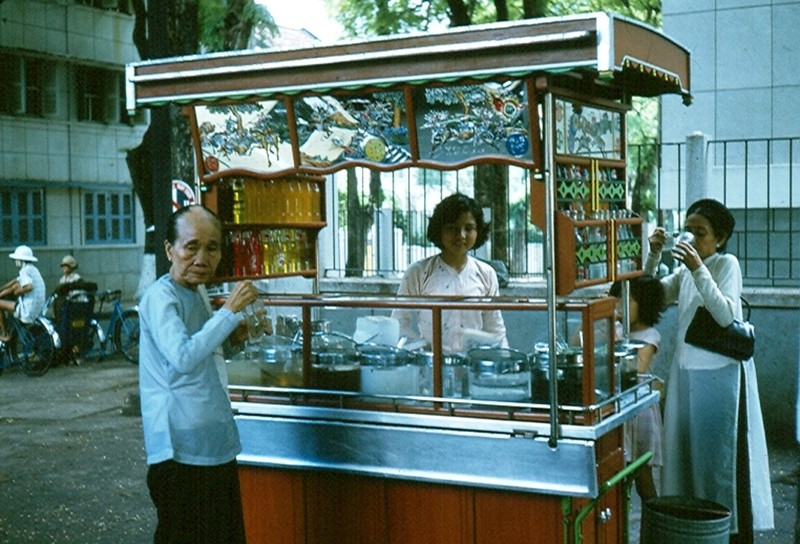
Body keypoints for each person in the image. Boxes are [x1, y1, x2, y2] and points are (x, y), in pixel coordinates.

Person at [645, 198, 773, 542]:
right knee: (684, 457)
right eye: (688, 230)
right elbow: (651, 294)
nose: (692, 238)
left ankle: (725, 530)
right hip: (686, 372)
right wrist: (655, 254)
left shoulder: (724, 264)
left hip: (719, 376)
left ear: (720, 237)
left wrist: (699, 268)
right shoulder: (687, 271)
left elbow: (725, 316)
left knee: (717, 461)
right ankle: (692, 527)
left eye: (700, 233)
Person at [138, 205, 258, 544]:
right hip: (179, 451)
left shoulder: (196, 291)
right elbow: (183, 357)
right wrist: (229, 313)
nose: (202, 257)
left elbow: (204, 354)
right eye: (191, 247)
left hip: (212, 442)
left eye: (212, 247)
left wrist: (232, 338)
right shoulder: (160, 297)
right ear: (169, 250)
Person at [393, 193, 507, 353]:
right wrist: (425, 347)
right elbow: (399, 324)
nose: (461, 235)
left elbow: (495, 329)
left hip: (473, 368)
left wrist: (503, 366)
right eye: (452, 228)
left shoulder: (486, 274)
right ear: (439, 230)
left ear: (478, 231)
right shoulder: (418, 272)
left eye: (468, 228)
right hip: (431, 367)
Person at [609, 276, 664, 504]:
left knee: (642, 476)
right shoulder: (618, 328)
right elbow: (576, 341)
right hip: (618, 410)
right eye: (617, 300)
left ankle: (654, 527)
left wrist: (612, 331)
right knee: (619, 475)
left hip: (640, 412)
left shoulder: (650, 336)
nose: (621, 306)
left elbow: (634, 369)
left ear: (645, 305)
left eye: (627, 301)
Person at [0, 245, 46, 341]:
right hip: (38, 307)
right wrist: (2, 289)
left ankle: (5, 334)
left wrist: (17, 292)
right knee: (16, 284)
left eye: (16, 259)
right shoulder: (32, 269)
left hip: (28, 308)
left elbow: (29, 286)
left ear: (21, 260)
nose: (15, 262)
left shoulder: (25, 271)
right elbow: (15, 281)